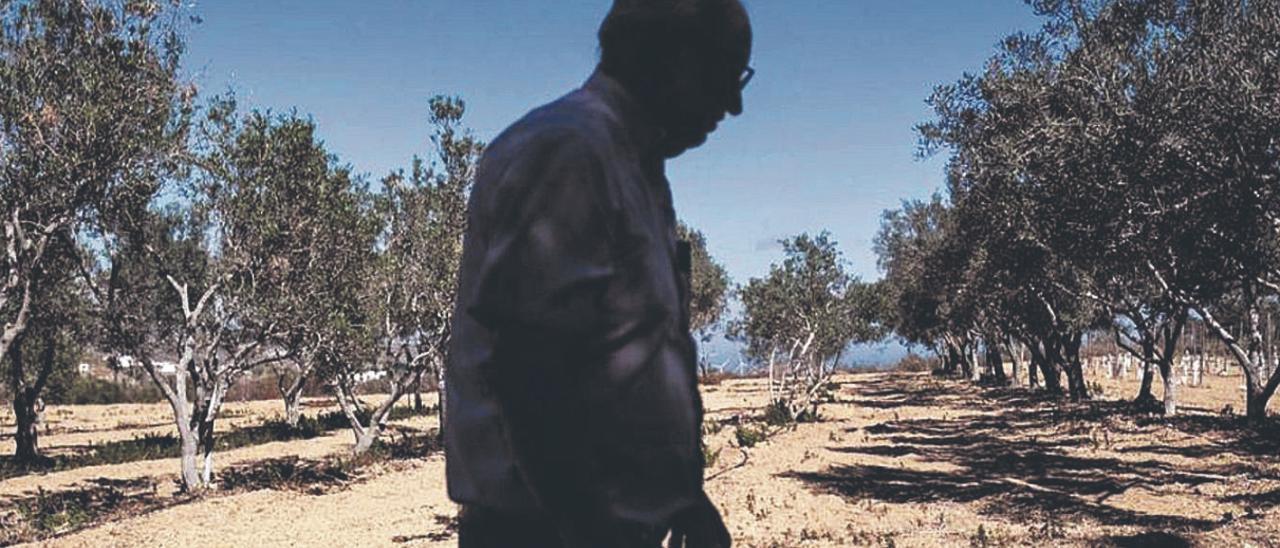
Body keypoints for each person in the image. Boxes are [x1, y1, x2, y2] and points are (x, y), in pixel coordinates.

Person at [445, 1, 753, 546]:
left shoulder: (635, 168)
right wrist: (589, 529)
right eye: (728, 74)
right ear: (671, 55)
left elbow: (635, 354)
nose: (733, 105)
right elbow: (530, 367)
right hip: (543, 530)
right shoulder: (569, 152)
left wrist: (685, 497)